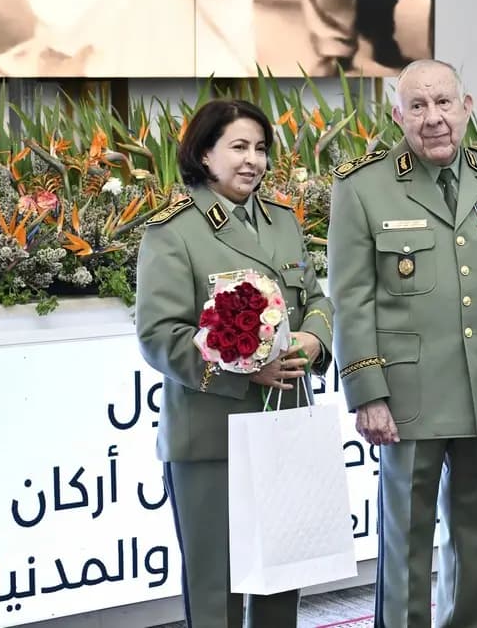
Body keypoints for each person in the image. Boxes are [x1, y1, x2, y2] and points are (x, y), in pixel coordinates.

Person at [326, 59, 477, 627]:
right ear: (398, 116)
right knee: (406, 545)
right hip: (407, 398)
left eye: (444, 103)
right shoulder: (362, 187)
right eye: (417, 107)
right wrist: (367, 392)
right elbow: (351, 300)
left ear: (466, 109)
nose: (433, 118)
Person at [135, 99, 334, 628]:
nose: (253, 161)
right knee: (214, 584)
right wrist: (243, 369)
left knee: (279, 578)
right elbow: (159, 336)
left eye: (261, 149)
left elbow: (316, 297)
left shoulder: (283, 221)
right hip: (210, 435)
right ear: (204, 153)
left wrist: (314, 338)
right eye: (239, 147)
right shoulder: (173, 230)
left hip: (281, 424)